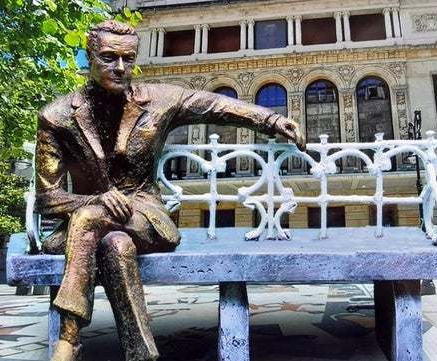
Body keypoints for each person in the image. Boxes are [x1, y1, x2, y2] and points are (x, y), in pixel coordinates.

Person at [35, 20, 306, 361]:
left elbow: (217, 106)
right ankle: (141, 354)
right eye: (108, 57)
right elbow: (49, 200)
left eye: (128, 58)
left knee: (91, 220)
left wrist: (271, 120)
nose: (120, 68)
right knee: (114, 244)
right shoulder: (57, 117)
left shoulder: (159, 100)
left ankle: (68, 338)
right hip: (87, 227)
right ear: (88, 57)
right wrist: (98, 200)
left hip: (145, 216)